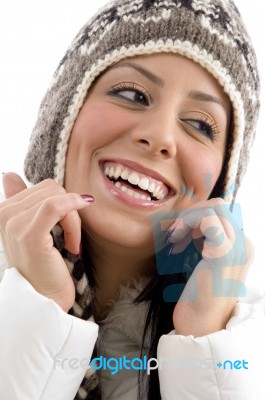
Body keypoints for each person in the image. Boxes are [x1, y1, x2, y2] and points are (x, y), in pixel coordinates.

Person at [0, 0, 264, 399]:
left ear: (222, 183)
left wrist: (205, 346)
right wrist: (35, 312)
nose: (159, 136)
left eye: (198, 124)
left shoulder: (244, 348)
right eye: (132, 94)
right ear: (62, 121)